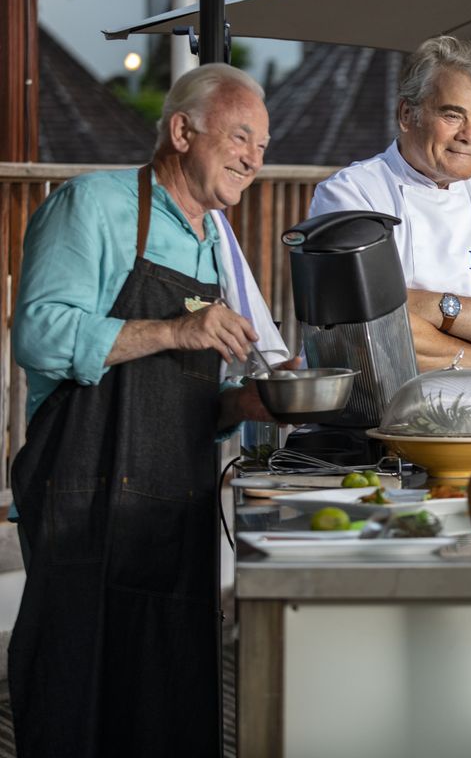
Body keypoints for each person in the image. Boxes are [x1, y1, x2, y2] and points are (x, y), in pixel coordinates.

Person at [8, 63, 290, 757]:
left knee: (164, 696)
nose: (255, 158)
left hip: (175, 507)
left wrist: (246, 403)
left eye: (264, 145)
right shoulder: (94, 206)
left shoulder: (215, 245)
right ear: (181, 130)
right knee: (77, 690)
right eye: (242, 136)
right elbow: (38, 335)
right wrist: (174, 329)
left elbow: (188, 398)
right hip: (84, 497)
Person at [309, 35, 471, 371]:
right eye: (452, 115)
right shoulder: (352, 195)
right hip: (387, 418)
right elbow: (367, 332)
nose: (469, 135)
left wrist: (431, 308)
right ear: (406, 114)